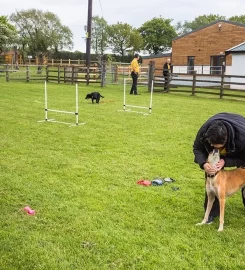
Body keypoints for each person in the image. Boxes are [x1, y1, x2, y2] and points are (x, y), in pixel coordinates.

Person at [193, 112, 245, 224]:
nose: (215, 148)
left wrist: (226, 161)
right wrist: (204, 164)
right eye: (212, 145)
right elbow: (197, 148)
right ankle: (211, 214)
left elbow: (243, 159)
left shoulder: (242, 138)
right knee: (213, 178)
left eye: (218, 147)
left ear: (226, 141)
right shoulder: (204, 132)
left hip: (241, 147)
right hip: (225, 136)